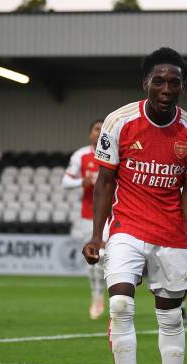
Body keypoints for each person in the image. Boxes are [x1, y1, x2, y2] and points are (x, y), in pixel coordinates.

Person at [82, 47, 187, 364]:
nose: (166, 88)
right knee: (120, 305)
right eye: (159, 81)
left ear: (183, 87)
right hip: (127, 228)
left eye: (174, 82)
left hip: (171, 234)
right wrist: (97, 235)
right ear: (146, 83)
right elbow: (106, 180)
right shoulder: (119, 122)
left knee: (170, 317)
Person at [62, 118, 106, 319]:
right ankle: (96, 295)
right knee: (93, 260)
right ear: (91, 134)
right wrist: (83, 181)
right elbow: (65, 182)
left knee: (106, 259)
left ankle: (111, 296)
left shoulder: (118, 154)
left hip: (113, 215)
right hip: (88, 216)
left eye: (103, 129)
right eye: (96, 129)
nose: (99, 132)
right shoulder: (81, 155)